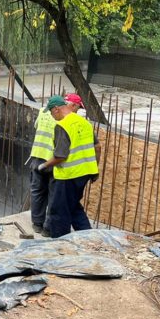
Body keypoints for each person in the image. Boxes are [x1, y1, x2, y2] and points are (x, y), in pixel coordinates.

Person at [39, 95, 100, 238]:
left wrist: (44, 165)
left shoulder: (62, 125)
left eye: (51, 113)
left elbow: (61, 156)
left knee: (59, 211)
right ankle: (88, 238)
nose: (52, 117)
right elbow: (97, 146)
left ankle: (61, 243)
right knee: (73, 206)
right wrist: (95, 168)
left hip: (69, 175)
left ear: (56, 109)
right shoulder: (83, 122)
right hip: (85, 173)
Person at [27, 100, 58, 237]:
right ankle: (47, 228)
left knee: (37, 191)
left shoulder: (41, 112)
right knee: (53, 193)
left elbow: (36, 127)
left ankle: (37, 223)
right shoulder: (63, 119)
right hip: (53, 160)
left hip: (37, 156)